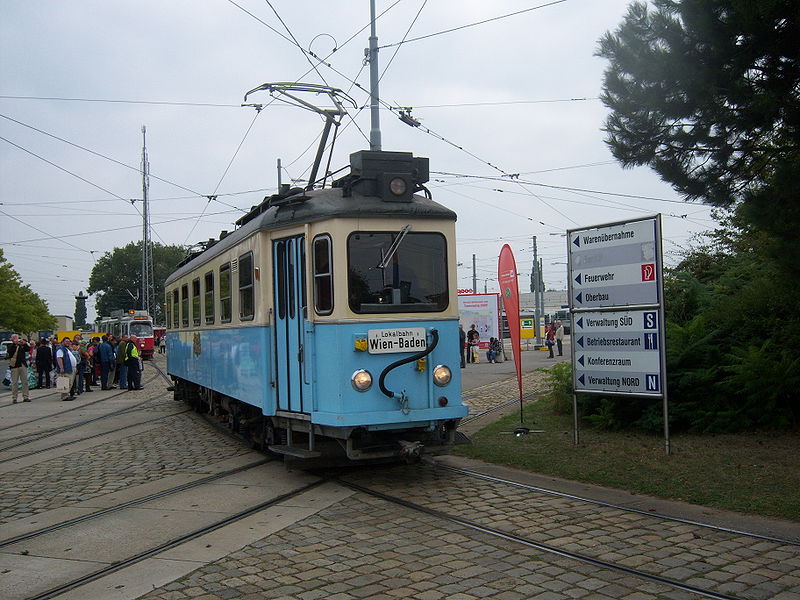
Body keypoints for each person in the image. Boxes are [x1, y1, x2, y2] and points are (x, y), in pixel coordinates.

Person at [7, 334, 31, 403]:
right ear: (12, 339)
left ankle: (25, 396)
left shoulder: (21, 345)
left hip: (22, 365)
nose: (16, 340)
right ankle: (14, 398)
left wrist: (24, 343)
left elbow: (28, 349)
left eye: (17, 338)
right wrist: (15, 345)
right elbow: (10, 352)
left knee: (25, 382)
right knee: (15, 383)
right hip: (14, 366)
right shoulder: (10, 346)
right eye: (14, 338)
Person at [54, 337, 77, 401]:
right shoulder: (60, 349)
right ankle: (64, 396)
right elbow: (59, 358)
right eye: (66, 341)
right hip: (66, 368)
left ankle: (67, 395)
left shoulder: (66, 349)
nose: (68, 343)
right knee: (66, 382)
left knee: (69, 383)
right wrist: (61, 368)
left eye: (69, 341)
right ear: (63, 342)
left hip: (71, 368)